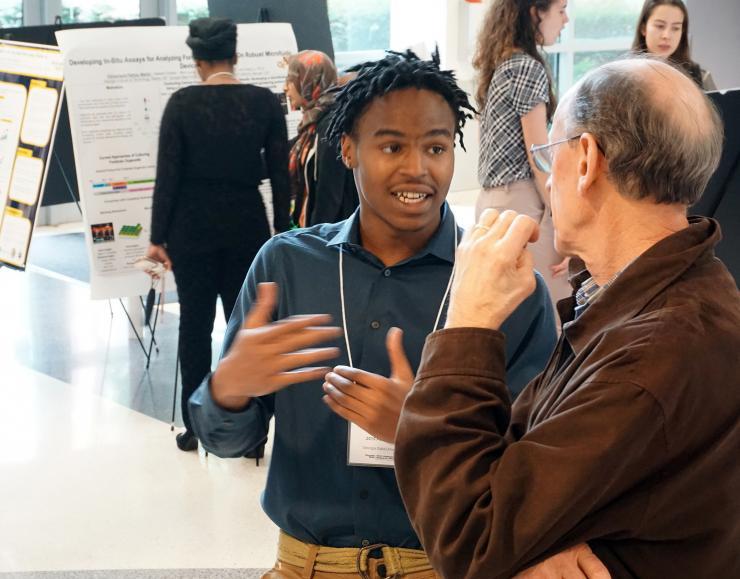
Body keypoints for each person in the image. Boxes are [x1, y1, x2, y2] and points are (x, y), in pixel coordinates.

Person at [189, 51, 559, 579]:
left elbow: (536, 464)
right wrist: (227, 389)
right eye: (392, 146)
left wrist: (423, 432)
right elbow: (226, 441)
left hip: (446, 563)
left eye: (436, 147)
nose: (418, 168)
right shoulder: (287, 267)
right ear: (347, 149)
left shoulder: (508, 285)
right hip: (307, 565)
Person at [394, 56, 740, 578]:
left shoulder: (652, 353)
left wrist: (469, 320)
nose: (546, 175)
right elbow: (522, 457)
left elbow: (470, 541)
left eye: (547, 152)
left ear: (585, 160)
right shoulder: (658, 298)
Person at [147, 17, 291, 452]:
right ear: (235, 55)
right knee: (248, 325)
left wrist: (157, 236)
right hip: (247, 222)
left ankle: (196, 426)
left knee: (194, 325)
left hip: (190, 228)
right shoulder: (264, 103)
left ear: (197, 61)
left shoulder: (181, 104)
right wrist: (283, 231)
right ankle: (254, 432)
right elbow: (281, 177)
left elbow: (166, 177)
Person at [473, 0, 571, 308]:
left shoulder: (502, 64)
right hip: (523, 203)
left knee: (506, 314)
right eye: (561, 9)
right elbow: (538, 156)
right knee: (551, 314)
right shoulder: (527, 67)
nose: (566, 20)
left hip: (491, 203)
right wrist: (563, 217)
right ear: (535, 12)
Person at [285, 50, 359, 227]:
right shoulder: (313, 125)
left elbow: (330, 195)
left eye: (291, 80)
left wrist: (316, 239)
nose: (285, 87)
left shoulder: (330, 126)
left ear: (308, 81)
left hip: (330, 238)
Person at [632, 0, 717, 90]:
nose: (666, 36)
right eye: (660, 26)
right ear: (643, 28)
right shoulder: (626, 76)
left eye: (676, 28)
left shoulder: (700, 77)